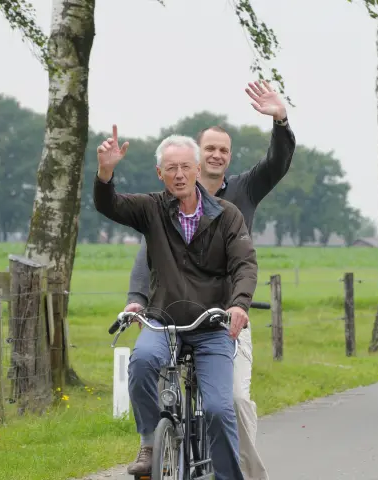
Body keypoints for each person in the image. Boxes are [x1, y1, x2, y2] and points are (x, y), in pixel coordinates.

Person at [124, 80, 295, 480]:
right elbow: (148, 253)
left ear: (228, 158)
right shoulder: (173, 196)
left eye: (224, 149)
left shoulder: (243, 189)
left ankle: (244, 475)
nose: (216, 155)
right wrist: (137, 297)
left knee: (232, 400)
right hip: (178, 310)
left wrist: (281, 120)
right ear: (195, 158)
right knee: (150, 364)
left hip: (227, 312)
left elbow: (278, 162)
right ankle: (158, 442)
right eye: (209, 148)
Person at [93, 125, 258, 480]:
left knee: (218, 407)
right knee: (141, 362)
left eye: (186, 167)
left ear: (198, 170)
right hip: (164, 322)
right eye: (171, 168)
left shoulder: (227, 215)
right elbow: (110, 205)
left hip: (212, 326)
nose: (179, 175)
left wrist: (239, 304)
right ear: (160, 173)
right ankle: (151, 441)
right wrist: (106, 173)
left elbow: (245, 264)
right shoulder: (151, 209)